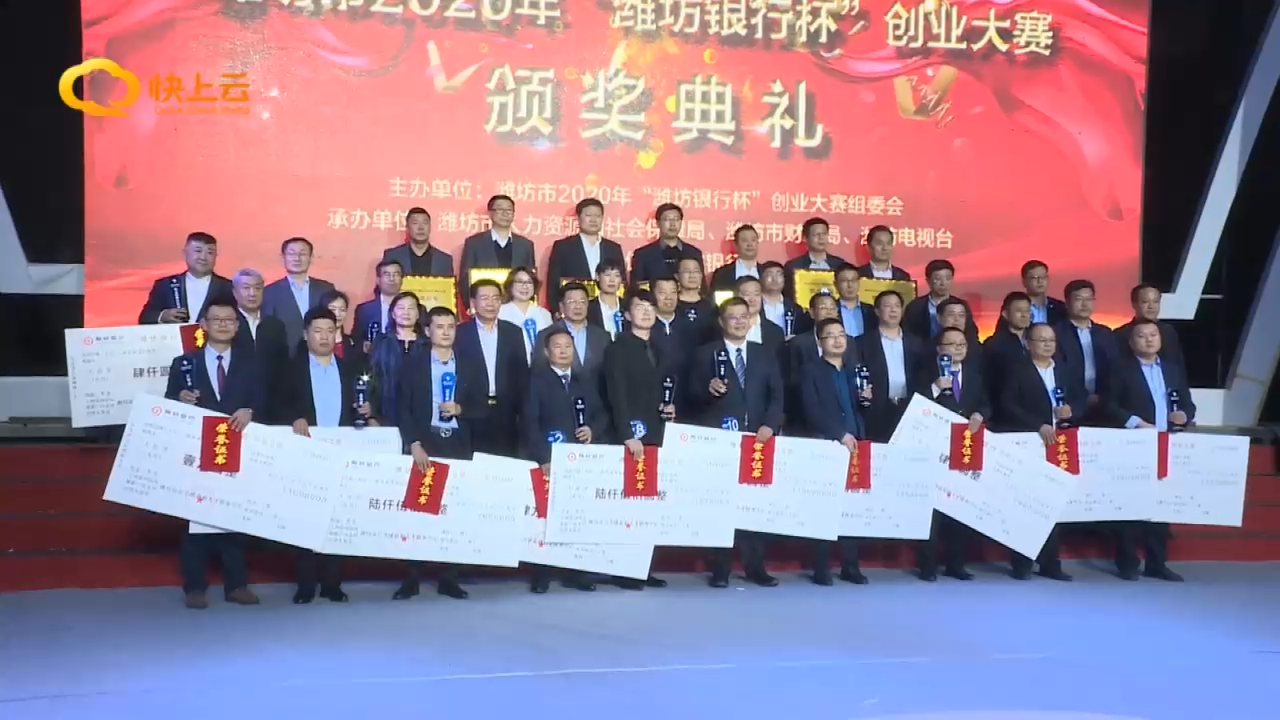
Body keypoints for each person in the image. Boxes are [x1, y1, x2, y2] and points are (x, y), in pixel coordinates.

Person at [163, 296, 263, 609]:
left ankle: (237, 585)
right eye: (216, 319)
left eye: (229, 320)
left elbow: (265, 400)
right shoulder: (185, 362)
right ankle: (195, 587)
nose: (223, 325)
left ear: (237, 326)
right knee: (195, 518)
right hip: (197, 447)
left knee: (234, 517)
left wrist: (250, 410)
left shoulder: (251, 363)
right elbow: (169, 401)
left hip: (238, 446)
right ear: (204, 325)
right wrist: (180, 397)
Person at [687, 298, 784, 588]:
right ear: (721, 322)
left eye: (744, 317)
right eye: (733, 317)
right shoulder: (704, 354)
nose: (739, 322)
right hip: (721, 442)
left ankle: (756, 567)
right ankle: (721, 569)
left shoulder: (764, 353)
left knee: (755, 506)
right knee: (722, 506)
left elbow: (777, 395)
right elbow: (690, 397)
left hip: (758, 440)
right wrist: (708, 390)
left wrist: (769, 424)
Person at [282, 307, 376, 603]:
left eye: (329, 331)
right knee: (305, 519)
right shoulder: (290, 368)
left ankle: (333, 583)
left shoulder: (349, 369)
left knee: (337, 518)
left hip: (341, 453)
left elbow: (362, 404)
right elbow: (276, 403)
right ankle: (306, 585)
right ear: (305, 334)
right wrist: (294, 417)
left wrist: (367, 411)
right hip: (305, 453)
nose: (324, 337)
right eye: (317, 331)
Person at [395, 306, 487, 601]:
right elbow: (403, 407)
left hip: (458, 442)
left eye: (451, 326)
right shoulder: (414, 363)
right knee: (419, 510)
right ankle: (411, 578)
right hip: (426, 441)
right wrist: (413, 443)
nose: (446, 332)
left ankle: (449, 578)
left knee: (455, 511)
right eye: (440, 327)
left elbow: (483, 405)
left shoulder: (470, 363)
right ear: (427, 331)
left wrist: (462, 409)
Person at [1103, 319, 1194, 582]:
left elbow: (1188, 404)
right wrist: (1137, 423)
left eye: (1153, 334)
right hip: (1133, 443)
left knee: (1161, 505)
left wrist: (1184, 415)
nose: (1149, 339)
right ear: (1132, 342)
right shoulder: (1119, 369)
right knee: (1130, 502)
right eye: (1142, 336)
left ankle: (1157, 563)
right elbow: (1108, 405)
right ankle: (1127, 562)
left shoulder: (1172, 369)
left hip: (1167, 443)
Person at [991, 322, 1083, 581]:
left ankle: (1051, 563)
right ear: (1028, 344)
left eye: (1051, 340)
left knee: (1054, 504)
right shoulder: (1016, 370)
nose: (1047, 345)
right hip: (1029, 443)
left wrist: (1072, 410)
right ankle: (1021, 562)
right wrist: (1037, 425)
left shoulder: (1064, 369)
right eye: (1041, 340)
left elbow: (1082, 398)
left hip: (1061, 444)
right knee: (1026, 505)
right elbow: (1006, 404)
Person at [520, 328, 609, 593]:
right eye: (557, 347)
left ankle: (576, 572)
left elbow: (602, 414)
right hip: (548, 460)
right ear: (547, 352)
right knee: (545, 519)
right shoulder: (535, 382)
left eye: (568, 346)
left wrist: (592, 430)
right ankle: (542, 574)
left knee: (577, 516)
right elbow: (529, 423)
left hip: (579, 460)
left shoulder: (584, 381)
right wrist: (542, 458)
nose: (563, 351)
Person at [601, 290, 672, 590]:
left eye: (650, 306)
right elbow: (615, 395)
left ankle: (644, 567)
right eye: (639, 307)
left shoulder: (661, 346)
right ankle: (623, 569)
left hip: (658, 432)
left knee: (649, 503)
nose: (646, 312)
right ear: (627, 315)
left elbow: (668, 386)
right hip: (631, 436)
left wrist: (671, 407)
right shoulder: (617, 348)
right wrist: (627, 434)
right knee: (628, 504)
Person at [909, 326, 989, 581]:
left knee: (960, 505)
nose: (958, 349)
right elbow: (913, 403)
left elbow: (986, 403)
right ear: (939, 349)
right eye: (952, 344)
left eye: (962, 344)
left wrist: (980, 414)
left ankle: (956, 564)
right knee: (932, 509)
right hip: (934, 447)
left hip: (965, 446)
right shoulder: (925, 373)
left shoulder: (975, 375)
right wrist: (934, 388)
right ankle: (928, 565)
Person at [799, 318, 871, 585]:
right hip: (826, 444)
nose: (838, 339)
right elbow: (810, 409)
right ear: (820, 342)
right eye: (830, 335)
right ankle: (821, 567)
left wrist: (867, 399)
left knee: (853, 507)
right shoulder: (810, 371)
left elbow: (862, 408)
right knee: (824, 507)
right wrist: (839, 434)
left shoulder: (856, 369)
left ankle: (850, 566)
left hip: (856, 444)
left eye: (842, 334)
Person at [455, 279, 529, 457]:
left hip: (506, 412)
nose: (491, 303)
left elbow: (521, 374)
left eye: (495, 298)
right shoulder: (460, 333)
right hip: (470, 411)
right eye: (485, 298)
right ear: (473, 302)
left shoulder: (513, 332)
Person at [856, 290, 926, 442]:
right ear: (877, 311)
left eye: (897, 306)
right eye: (887, 306)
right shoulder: (862, 343)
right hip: (876, 410)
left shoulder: (917, 343)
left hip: (910, 408)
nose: (893, 310)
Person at [1055, 279, 1119, 425]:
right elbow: (1060, 371)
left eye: (1089, 299)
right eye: (1079, 299)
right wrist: (1084, 397)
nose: (1084, 304)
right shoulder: (1056, 333)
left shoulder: (1105, 333)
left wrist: (1102, 397)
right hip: (1071, 405)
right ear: (1067, 303)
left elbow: (1115, 369)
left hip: (1105, 406)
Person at [229, 268, 289, 420]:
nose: (252, 293)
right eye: (246, 288)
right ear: (235, 292)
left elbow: (282, 369)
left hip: (271, 408)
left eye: (257, 288)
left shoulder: (275, 325)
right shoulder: (226, 325)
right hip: (233, 410)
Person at [545, 198, 627, 308]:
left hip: (607, 309)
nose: (593, 220)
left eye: (597, 216)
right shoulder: (562, 247)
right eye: (588, 215)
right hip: (573, 308)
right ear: (578, 218)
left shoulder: (613, 248)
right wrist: (556, 310)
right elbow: (553, 284)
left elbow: (622, 282)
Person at [139, 231, 233, 325]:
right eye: (198, 251)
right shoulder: (165, 285)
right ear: (185, 253)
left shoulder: (228, 287)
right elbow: (145, 317)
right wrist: (162, 316)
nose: (203, 257)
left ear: (216, 256)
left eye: (210, 252)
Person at [368, 292, 427, 435]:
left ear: (418, 314)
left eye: (411, 308)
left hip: (419, 416)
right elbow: (373, 379)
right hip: (386, 413)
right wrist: (372, 416)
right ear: (393, 314)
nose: (406, 312)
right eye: (401, 308)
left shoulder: (427, 345)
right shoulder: (382, 342)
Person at [262, 237, 336, 350]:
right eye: (292, 254)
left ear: (311, 258)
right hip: (284, 354)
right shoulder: (269, 292)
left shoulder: (326, 288)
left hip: (321, 352)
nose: (297, 258)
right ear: (283, 258)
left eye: (303, 254)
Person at [532, 282, 612, 379]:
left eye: (582, 301)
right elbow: (539, 371)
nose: (578, 306)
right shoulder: (545, 335)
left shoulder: (603, 336)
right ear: (561, 306)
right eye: (572, 302)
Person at [458, 194, 536, 292]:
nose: (505, 214)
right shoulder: (474, 243)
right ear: (490, 213)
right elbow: (465, 279)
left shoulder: (525, 245)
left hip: (516, 300)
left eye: (509, 210)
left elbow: (531, 279)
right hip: (485, 300)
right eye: (500, 209)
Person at [902, 259, 979, 342]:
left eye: (947, 278)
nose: (943, 283)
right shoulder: (915, 306)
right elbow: (908, 334)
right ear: (928, 281)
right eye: (937, 279)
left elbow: (971, 335)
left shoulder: (960, 305)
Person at [630, 203, 703, 286]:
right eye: (667, 219)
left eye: (676, 219)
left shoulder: (694, 253)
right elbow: (636, 288)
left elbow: (702, 287)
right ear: (657, 223)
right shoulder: (642, 255)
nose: (672, 224)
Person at [1115, 283, 1186, 368]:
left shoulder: (1169, 331)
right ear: (1134, 304)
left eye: (1155, 301)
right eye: (1145, 302)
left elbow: (1178, 364)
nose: (1151, 306)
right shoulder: (1120, 335)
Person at [783, 217, 850, 301]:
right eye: (816, 235)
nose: (821, 238)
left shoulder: (839, 265)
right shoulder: (793, 266)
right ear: (805, 238)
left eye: (824, 234)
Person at [498, 266, 554, 362]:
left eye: (529, 282)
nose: (525, 286)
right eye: (520, 282)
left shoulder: (544, 314)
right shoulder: (500, 312)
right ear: (510, 285)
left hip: (541, 365)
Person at [982, 291, 1033, 398]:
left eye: (1027, 311)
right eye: (1019, 311)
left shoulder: (1038, 338)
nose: (1024, 315)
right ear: (1005, 314)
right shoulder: (994, 344)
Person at [381, 207, 455, 277]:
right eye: (415, 223)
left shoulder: (444, 260)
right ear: (407, 228)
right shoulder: (392, 256)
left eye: (425, 223)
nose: (420, 228)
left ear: (430, 227)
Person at [353, 259, 404, 347]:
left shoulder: (416, 309)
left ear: (402, 279)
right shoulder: (364, 310)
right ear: (378, 280)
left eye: (396, 274)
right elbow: (356, 339)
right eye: (387, 274)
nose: (392, 279)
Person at [733, 276, 785, 352]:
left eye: (756, 294)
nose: (752, 299)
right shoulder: (726, 329)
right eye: (747, 294)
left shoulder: (775, 332)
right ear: (735, 296)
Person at [759, 261, 808, 338]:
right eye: (769, 275)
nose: (775, 279)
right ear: (760, 279)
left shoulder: (795, 308)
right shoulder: (755, 305)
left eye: (779, 275)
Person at [709, 224, 762, 292]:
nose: (750, 244)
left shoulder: (765, 272)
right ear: (735, 245)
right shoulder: (722, 274)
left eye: (753, 240)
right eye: (744, 240)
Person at [318, 289, 364, 365]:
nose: (338, 314)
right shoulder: (311, 342)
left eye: (342, 310)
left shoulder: (354, 343)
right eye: (333, 309)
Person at [586, 259, 627, 338]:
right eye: (607, 275)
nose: (612, 280)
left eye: (617, 275)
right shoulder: (588, 308)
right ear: (597, 277)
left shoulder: (627, 306)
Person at [833, 265, 876, 339]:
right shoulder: (831, 309)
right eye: (844, 281)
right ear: (835, 284)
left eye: (853, 280)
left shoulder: (870, 310)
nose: (850, 285)